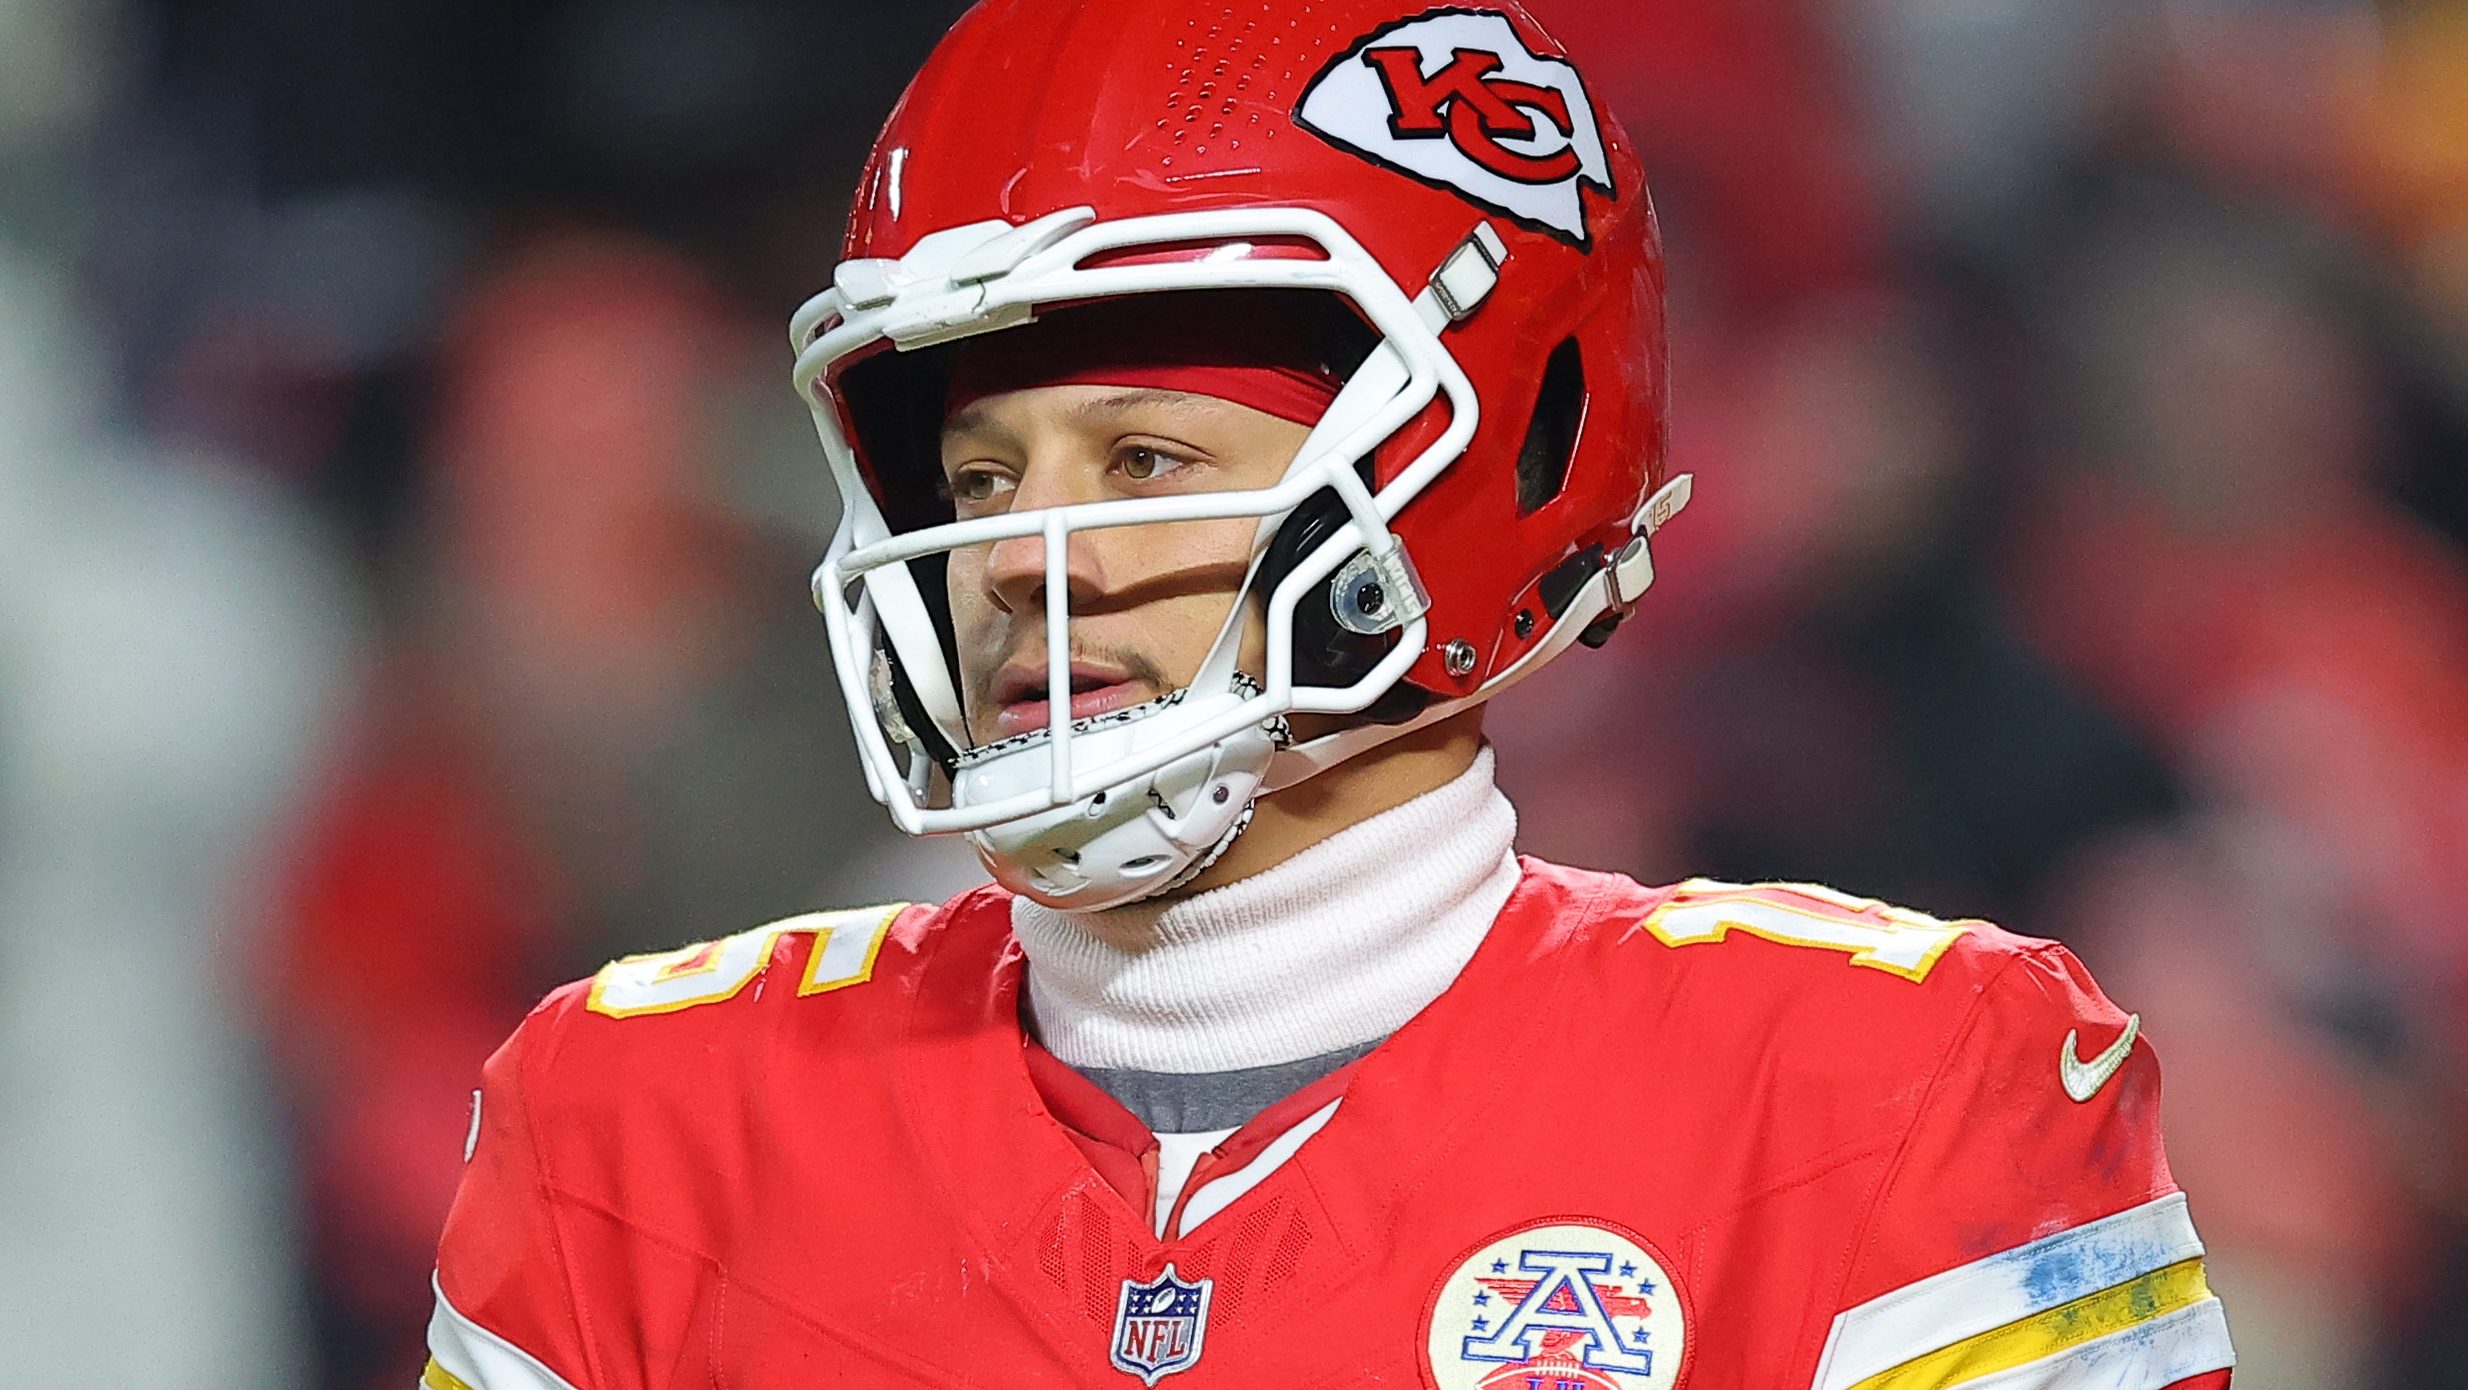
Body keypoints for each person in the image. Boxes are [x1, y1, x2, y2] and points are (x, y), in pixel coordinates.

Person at [422, 1, 2236, 1386]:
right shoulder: (638, 1129)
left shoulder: (1890, 1100)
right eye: (978, 477)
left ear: (1475, 475)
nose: (1017, 562)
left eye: (1141, 459)